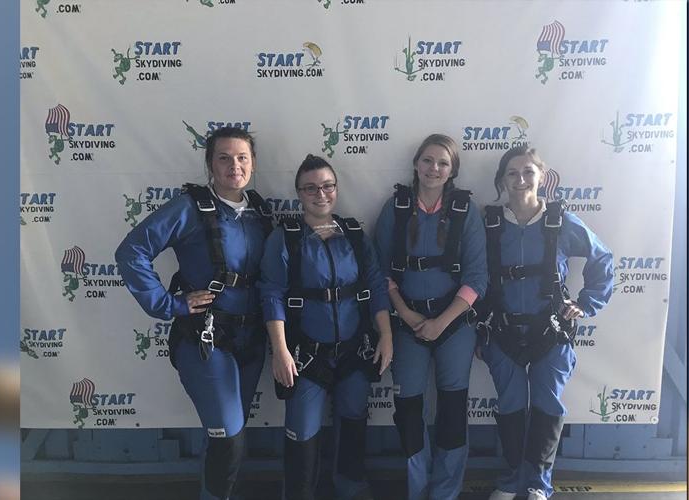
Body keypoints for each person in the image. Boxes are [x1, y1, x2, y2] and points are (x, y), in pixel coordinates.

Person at [115, 126, 273, 500]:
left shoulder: (260, 212)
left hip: (251, 341)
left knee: (228, 437)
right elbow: (131, 251)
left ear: (252, 164)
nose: (234, 165)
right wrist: (168, 304)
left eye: (242, 158)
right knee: (228, 440)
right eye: (224, 157)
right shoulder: (190, 207)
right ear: (209, 164)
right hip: (206, 341)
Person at [477, 144, 613, 500]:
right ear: (502, 180)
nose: (520, 179)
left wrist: (586, 303)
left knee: (547, 405)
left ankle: (538, 483)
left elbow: (603, 260)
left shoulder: (561, 223)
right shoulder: (488, 224)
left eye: (528, 172)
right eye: (512, 173)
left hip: (550, 333)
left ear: (542, 177)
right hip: (501, 331)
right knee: (509, 405)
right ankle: (510, 480)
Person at [259, 154, 393, 500]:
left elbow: (376, 286)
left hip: (354, 351)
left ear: (336, 188)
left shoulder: (354, 235)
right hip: (305, 356)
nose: (321, 194)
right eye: (311, 188)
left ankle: (351, 487)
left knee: (352, 421)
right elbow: (272, 294)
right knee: (302, 432)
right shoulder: (286, 238)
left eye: (328, 186)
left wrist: (387, 336)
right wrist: (280, 351)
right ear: (299, 193)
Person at [374, 134, 488, 500]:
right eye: (427, 160)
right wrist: (405, 314)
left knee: (452, 409)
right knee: (408, 407)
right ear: (416, 164)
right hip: (406, 323)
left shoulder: (464, 211)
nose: (433, 169)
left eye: (442, 163)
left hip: (454, 324)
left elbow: (477, 277)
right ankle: (416, 487)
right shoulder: (396, 207)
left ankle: (445, 493)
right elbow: (380, 271)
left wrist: (442, 320)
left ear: (452, 170)